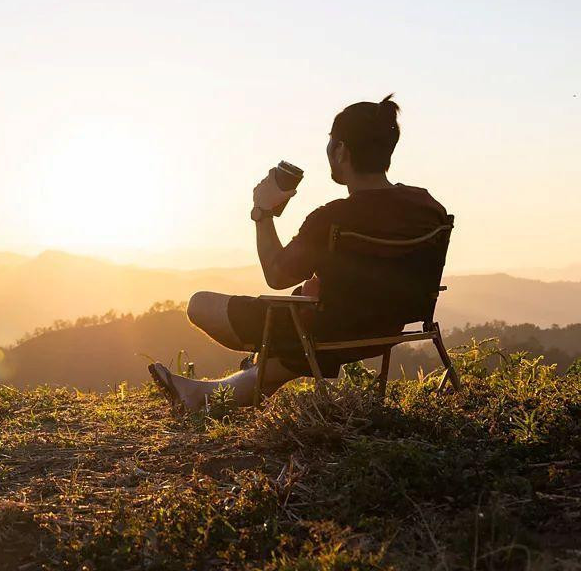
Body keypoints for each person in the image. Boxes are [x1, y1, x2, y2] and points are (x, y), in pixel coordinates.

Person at [149, 94, 449, 410]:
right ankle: (204, 394)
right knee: (301, 330)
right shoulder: (428, 207)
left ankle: (222, 385)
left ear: (342, 150)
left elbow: (276, 276)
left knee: (199, 304)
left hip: (325, 332)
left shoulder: (331, 219)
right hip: (387, 327)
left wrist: (262, 213)